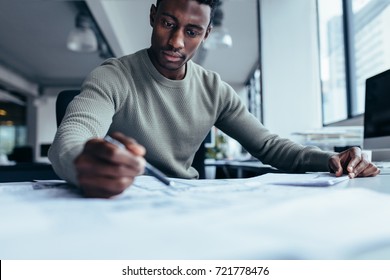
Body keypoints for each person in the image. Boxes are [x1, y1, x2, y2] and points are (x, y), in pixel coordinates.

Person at [48, 0, 380, 198]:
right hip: (126, 201)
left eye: (192, 32)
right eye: (168, 23)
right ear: (152, 16)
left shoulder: (214, 89)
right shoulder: (113, 76)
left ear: (206, 34)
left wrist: (330, 159)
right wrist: (82, 163)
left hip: (187, 203)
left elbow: (269, 146)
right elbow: (72, 136)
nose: (176, 42)